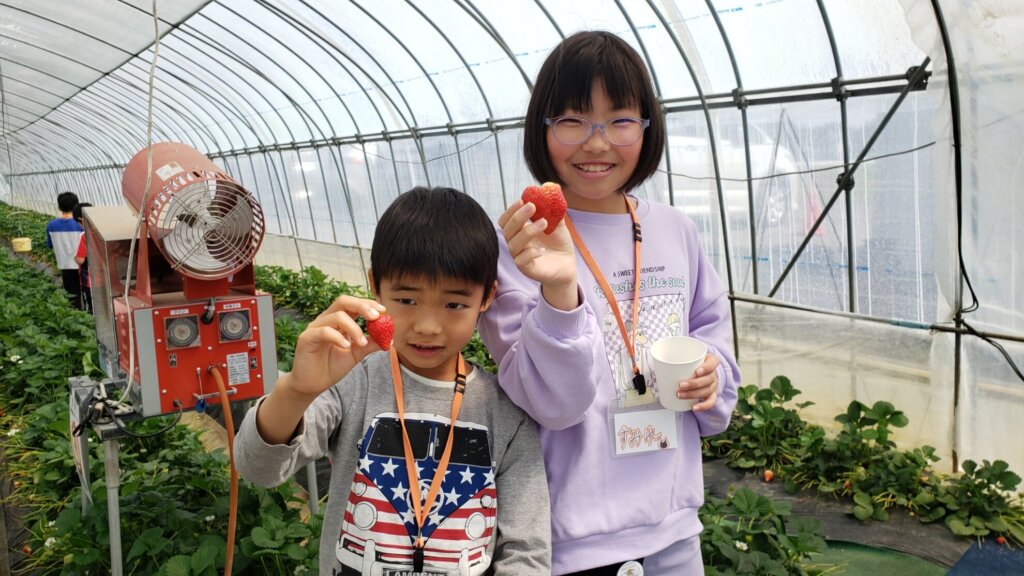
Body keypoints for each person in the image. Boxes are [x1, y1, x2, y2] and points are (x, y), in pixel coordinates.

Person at [477, 31, 741, 575]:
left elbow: (717, 352)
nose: (596, 144)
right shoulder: (518, 246)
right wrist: (559, 292)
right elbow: (554, 404)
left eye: (619, 120)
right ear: (542, 128)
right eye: (572, 120)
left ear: (646, 126)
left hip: (675, 534)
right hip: (568, 546)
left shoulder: (676, 231)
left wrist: (711, 378)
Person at [234, 186, 551, 575]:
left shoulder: (506, 410)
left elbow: (526, 551)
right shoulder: (353, 381)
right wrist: (297, 390)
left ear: (487, 297)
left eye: (454, 304)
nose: (428, 326)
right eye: (406, 300)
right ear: (375, 285)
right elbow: (258, 468)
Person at [45, 191, 84, 310]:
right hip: (82, 265)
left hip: (65, 265)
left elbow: (50, 245)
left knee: (72, 295)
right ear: (76, 206)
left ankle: (76, 315)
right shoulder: (80, 224)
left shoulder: (51, 225)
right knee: (87, 293)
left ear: (59, 206)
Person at [72, 202, 93, 314]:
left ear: (81, 219)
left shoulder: (85, 236)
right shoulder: (104, 232)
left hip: (89, 281)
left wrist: (75, 258)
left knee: (91, 309)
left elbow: (80, 260)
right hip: (107, 280)